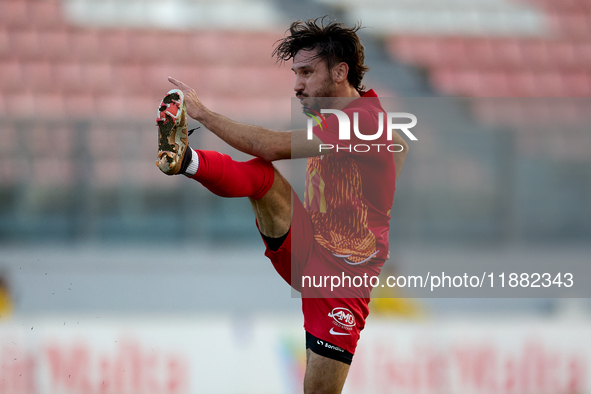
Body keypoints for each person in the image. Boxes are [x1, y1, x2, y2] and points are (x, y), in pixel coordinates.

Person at [156, 18, 409, 394]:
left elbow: (272, 145)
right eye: (296, 73)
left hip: (341, 278)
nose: (297, 85)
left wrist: (205, 115)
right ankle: (186, 159)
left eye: (307, 72)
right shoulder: (349, 120)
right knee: (263, 178)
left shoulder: (363, 123)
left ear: (341, 72)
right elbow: (396, 149)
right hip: (308, 241)